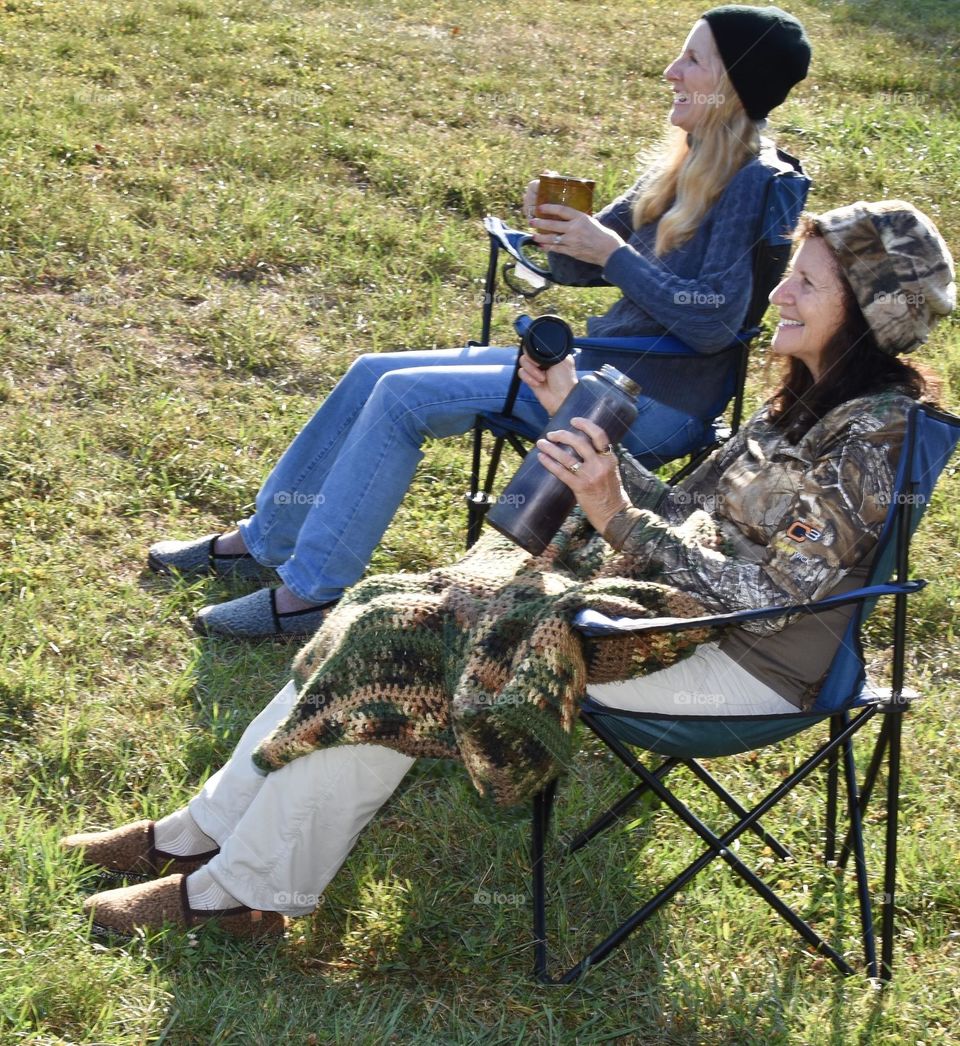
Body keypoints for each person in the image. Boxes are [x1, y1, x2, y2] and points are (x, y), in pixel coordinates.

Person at [64, 199, 955, 940]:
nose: (781, 293)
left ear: (872, 310)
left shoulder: (872, 432)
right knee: (385, 607)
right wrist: (581, 428)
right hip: (674, 614)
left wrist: (613, 513)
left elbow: (766, 604)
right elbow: (683, 519)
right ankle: (202, 838)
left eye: (806, 281)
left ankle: (242, 894)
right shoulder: (804, 403)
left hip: (743, 665)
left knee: (407, 644)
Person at [146, 6, 812, 639]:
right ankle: (265, 539)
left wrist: (610, 251)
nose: (671, 71)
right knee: (372, 371)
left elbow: (714, 321)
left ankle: (312, 594)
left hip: (647, 402)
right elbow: (587, 266)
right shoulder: (688, 159)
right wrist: (558, 239)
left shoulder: (753, 180)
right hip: (599, 370)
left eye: (692, 60)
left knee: (404, 396)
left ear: (730, 84)